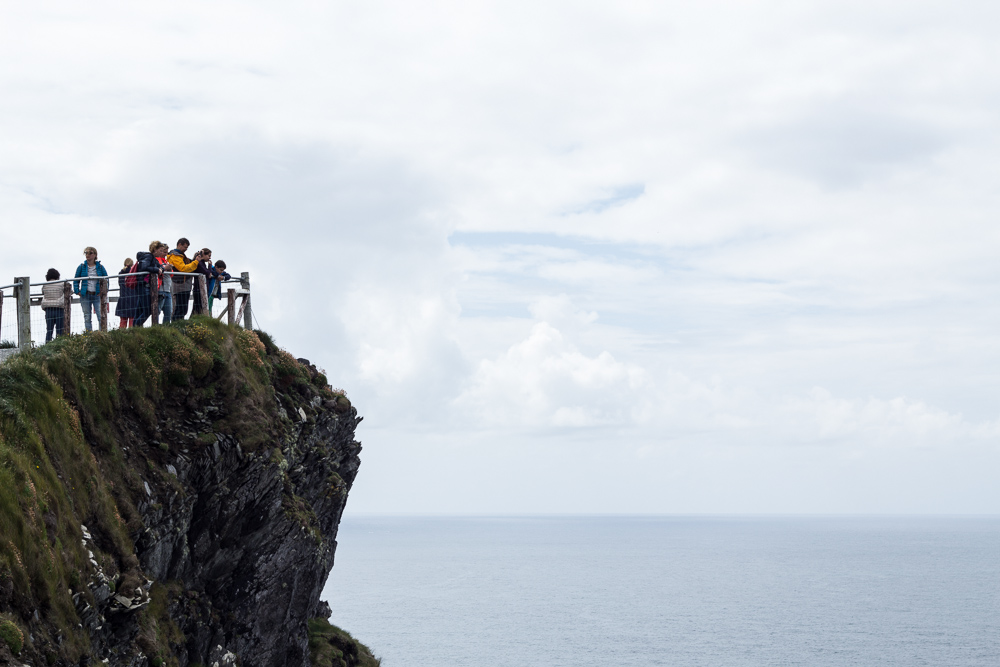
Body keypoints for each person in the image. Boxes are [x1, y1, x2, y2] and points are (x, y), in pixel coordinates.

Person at [73, 247, 108, 331]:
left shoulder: (100, 267)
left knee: (101, 316)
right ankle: (89, 335)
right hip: (85, 295)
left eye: (90, 253)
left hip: (97, 295)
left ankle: (102, 334)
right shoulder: (81, 267)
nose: (88, 255)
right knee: (87, 317)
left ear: (95, 255)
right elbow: (76, 280)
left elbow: (106, 279)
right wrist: (77, 291)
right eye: (86, 253)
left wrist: (104, 291)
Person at [167, 238, 200, 321]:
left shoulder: (180, 255)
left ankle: (177, 324)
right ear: (179, 244)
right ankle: (176, 325)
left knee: (182, 307)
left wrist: (194, 259)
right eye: (185, 247)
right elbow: (183, 268)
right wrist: (196, 262)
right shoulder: (175, 256)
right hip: (180, 283)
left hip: (183, 283)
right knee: (181, 307)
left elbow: (187, 265)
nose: (186, 249)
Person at [131, 246, 162, 327]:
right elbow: (144, 267)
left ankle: (134, 328)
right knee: (148, 310)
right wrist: (156, 270)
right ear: (155, 249)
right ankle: (137, 325)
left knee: (140, 310)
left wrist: (160, 268)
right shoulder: (148, 256)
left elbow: (161, 267)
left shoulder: (153, 258)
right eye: (160, 250)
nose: (161, 252)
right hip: (143, 285)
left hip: (144, 286)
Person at [41, 268, 66, 342]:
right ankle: (59, 346)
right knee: (59, 330)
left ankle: (48, 345)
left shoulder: (45, 285)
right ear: (57, 275)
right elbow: (69, 291)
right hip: (59, 308)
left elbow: (43, 292)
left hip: (48, 309)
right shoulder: (61, 283)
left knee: (49, 330)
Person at [152, 242, 173, 324]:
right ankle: (155, 327)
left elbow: (171, 274)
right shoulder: (155, 260)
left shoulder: (166, 261)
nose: (165, 254)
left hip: (167, 289)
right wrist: (165, 268)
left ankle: (166, 328)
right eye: (164, 252)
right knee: (157, 311)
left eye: (166, 252)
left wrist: (169, 269)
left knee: (169, 312)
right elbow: (157, 271)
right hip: (160, 289)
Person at [116, 257, 136, 329]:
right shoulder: (134, 274)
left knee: (123, 320)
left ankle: (122, 334)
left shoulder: (120, 274)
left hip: (122, 299)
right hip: (132, 298)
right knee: (132, 319)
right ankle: (131, 334)